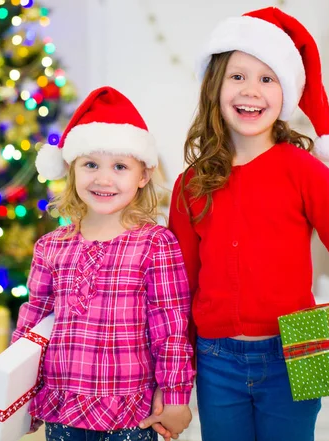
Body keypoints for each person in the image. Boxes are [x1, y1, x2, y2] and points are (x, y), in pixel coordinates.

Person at [145, 7, 329, 441]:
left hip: (293, 357)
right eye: (238, 76)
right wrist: (172, 381)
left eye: (267, 78)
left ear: (287, 92)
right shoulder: (191, 184)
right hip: (215, 360)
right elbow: (179, 287)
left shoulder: (307, 173)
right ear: (215, 86)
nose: (251, 91)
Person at [11, 86, 195, 441]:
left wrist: (175, 397)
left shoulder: (156, 244)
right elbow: (32, 326)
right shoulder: (51, 247)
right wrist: (18, 396)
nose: (104, 178)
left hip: (130, 413)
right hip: (63, 411)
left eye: (120, 166)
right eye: (91, 164)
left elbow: (171, 329)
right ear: (71, 169)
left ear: (143, 176)